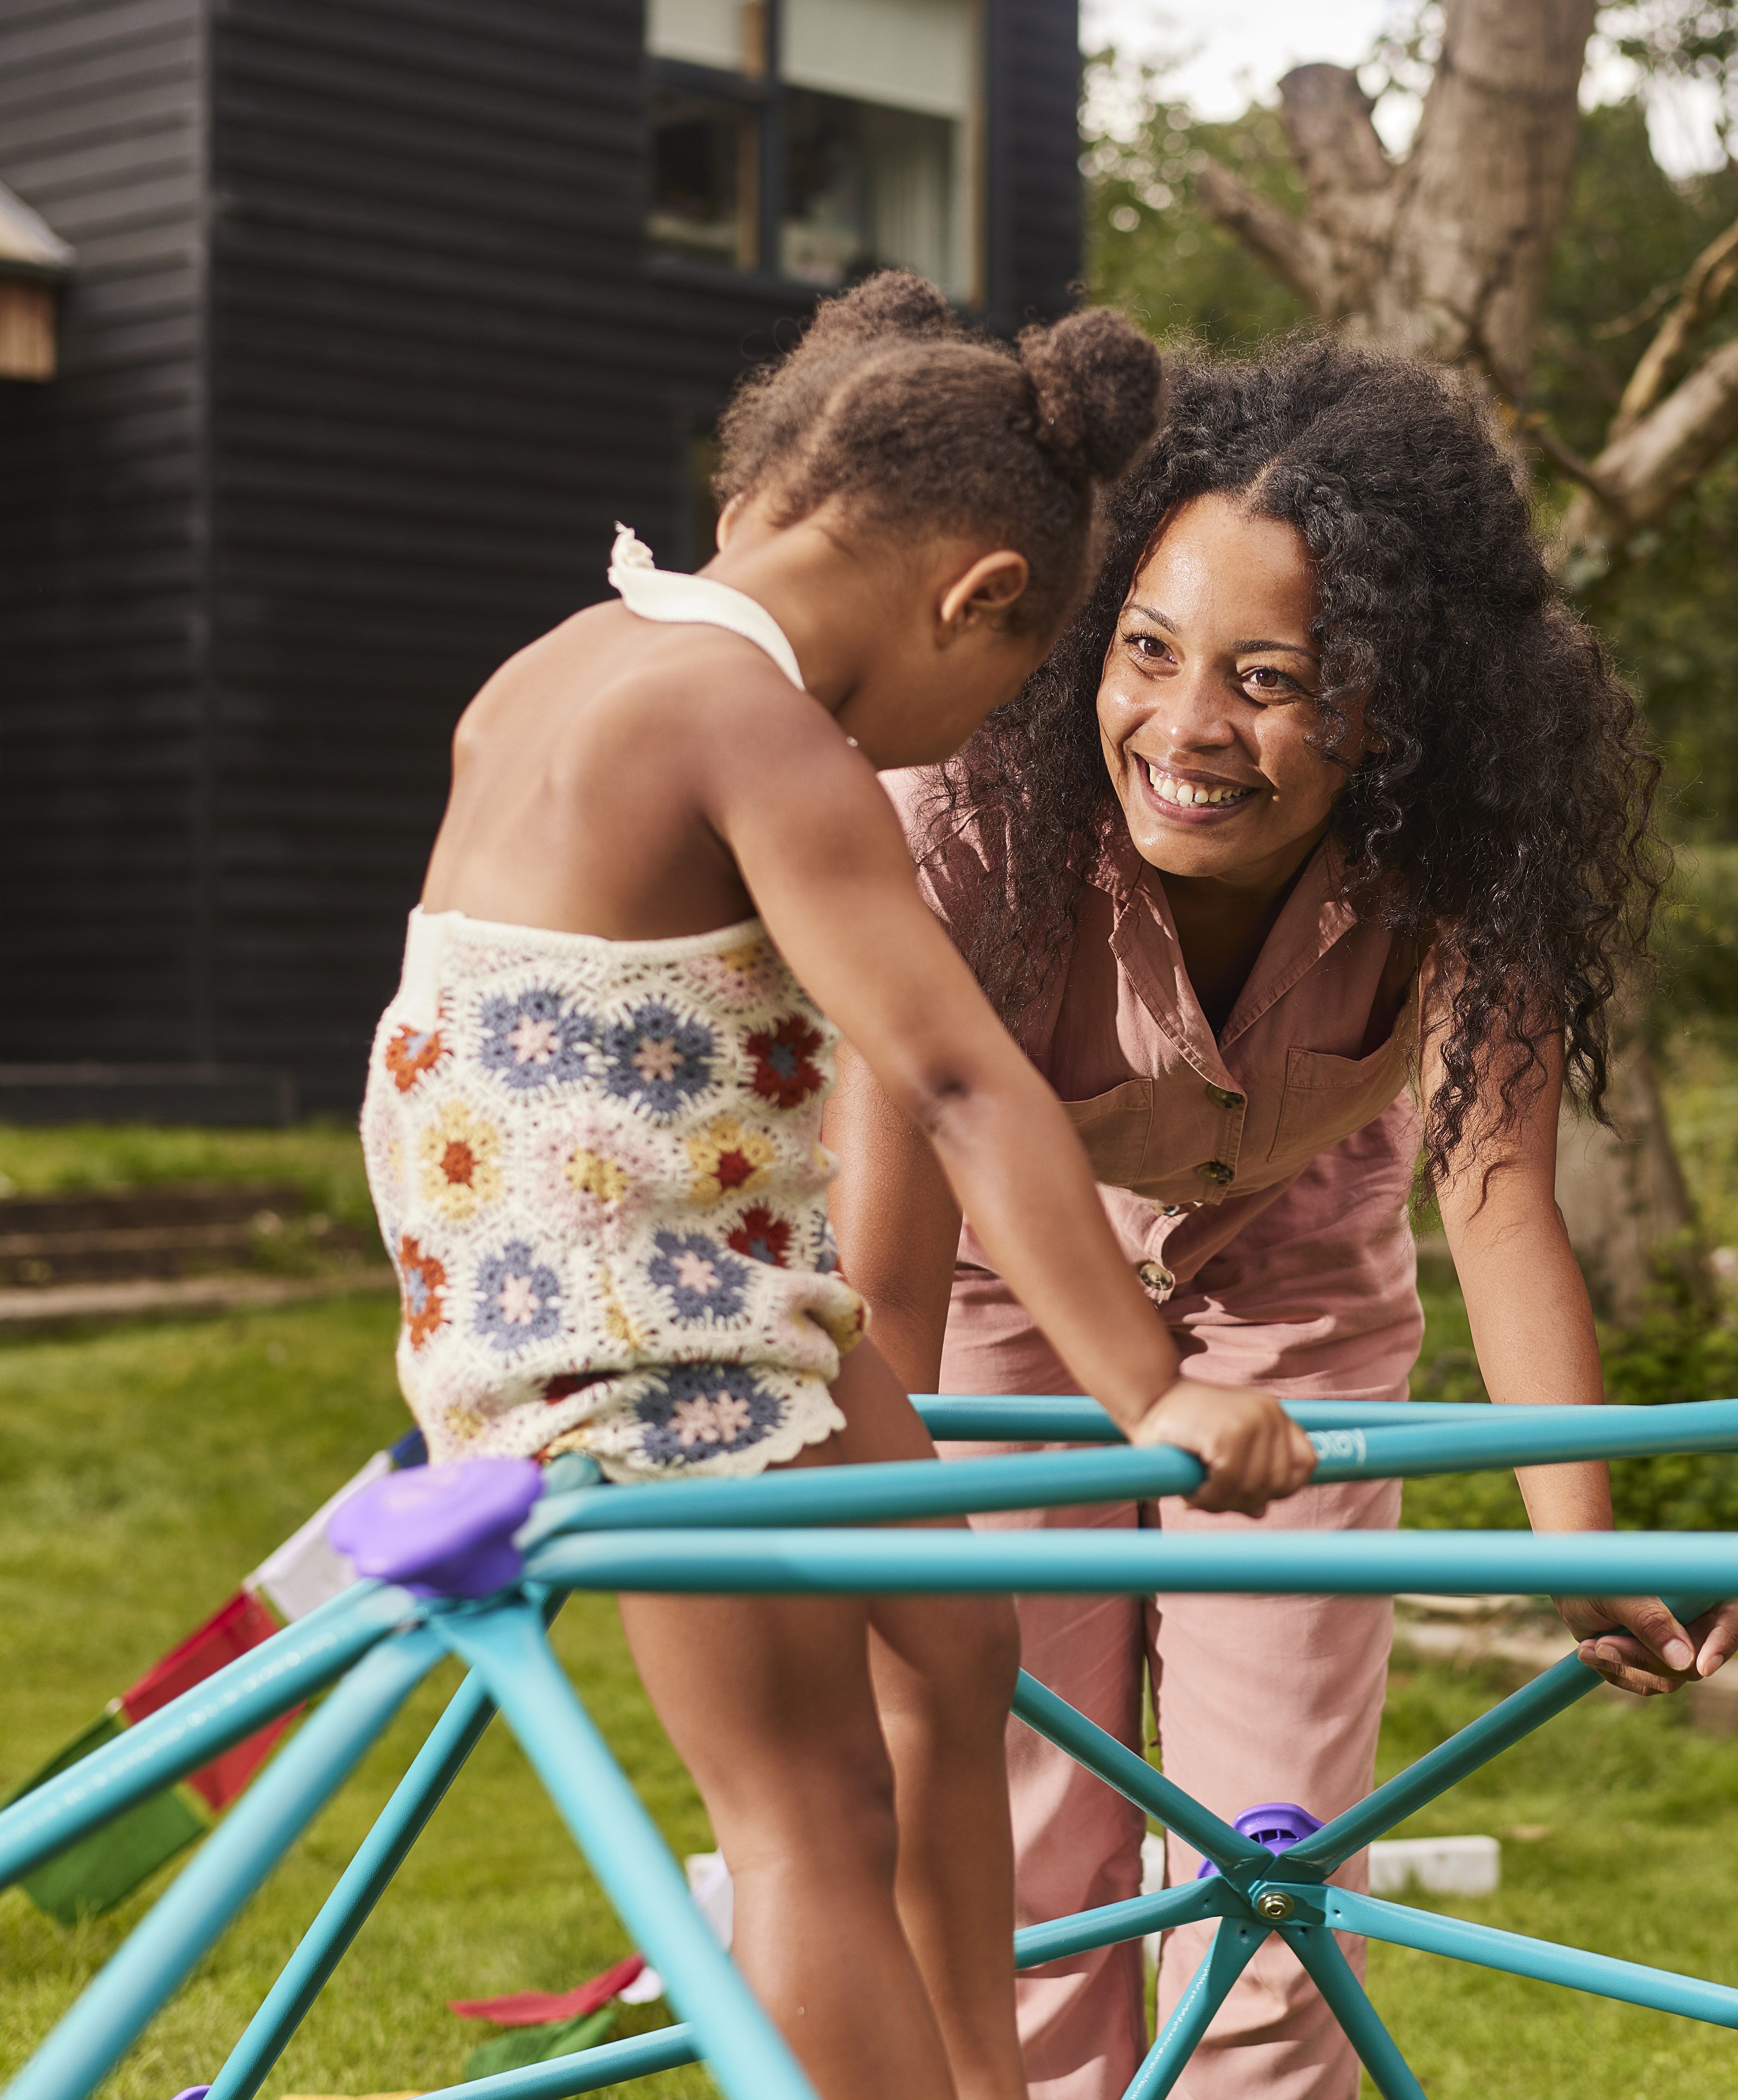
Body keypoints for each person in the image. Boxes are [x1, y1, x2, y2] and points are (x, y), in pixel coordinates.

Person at [356, 274, 1317, 2100]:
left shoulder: (564, 661)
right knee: (804, 1808)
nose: (973, 733)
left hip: (706, 1278)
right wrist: (1156, 1383)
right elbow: (956, 1074)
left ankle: (986, 2075)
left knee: (954, 1646)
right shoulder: (763, 735)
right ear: (978, 600)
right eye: (1011, 686)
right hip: (626, 1326)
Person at [825, 340, 1738, 2100]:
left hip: (1295, 1279)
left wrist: (1583, 1544)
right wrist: (890, 1532)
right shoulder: (958, 814)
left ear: (1400, 706)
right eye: (1147, 651)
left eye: (1272, 680)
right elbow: (886, 1257)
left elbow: (1492, 1198)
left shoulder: (1465, 848)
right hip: (994, 1275)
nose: (1185, 729)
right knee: (1030, 1843)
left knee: (1268, 1859)